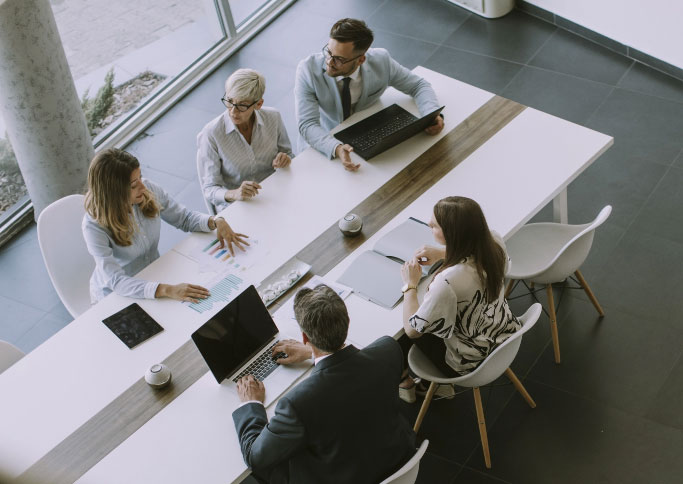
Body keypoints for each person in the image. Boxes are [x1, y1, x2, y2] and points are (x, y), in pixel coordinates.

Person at [232, 284, 416, 484]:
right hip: (398, 457)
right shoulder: (388, 350)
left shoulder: (297, 404)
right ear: (347, 322)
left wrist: (251, 404)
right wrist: (313, 354)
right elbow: (358, 370)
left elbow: (255, 457)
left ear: (304, 337)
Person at [82, 148, 248, 304]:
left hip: (155, 275)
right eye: (133, 185)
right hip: (118, 296)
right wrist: (167, 290)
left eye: (140, 177)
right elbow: (116, 281)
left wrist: (215, 221)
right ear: (114, 193)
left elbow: (184, 218)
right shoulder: (93, 226)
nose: (142, 186)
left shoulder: (147, 190)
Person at [399, 196, 521, 398]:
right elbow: (475, 251)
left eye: (434, 225)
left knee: (399, 335)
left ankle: (406, 382)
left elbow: (412, 331)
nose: (428, 223)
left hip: (467, 363)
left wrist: (410, 285)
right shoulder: (495, 242)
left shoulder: (447, 282)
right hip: (501, 334)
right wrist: (442, 253)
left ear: (451, 234)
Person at [295, 18, 444, 172]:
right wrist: (336, 148)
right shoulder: (307, 70)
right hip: (327, 138)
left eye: (339, 59)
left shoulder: (381, 61)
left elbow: (418, 85)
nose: (330, 62)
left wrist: (431, 115)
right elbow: (307, 124)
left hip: (369, 131)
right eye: (329, 52)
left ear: (361, 59)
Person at [197, 68, 294, 213]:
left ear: (258, 104)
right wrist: (234, 193)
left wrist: (285, 159)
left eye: (242, 105)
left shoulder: (274, 117)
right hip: (238, 207)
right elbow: (210, 189)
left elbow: (288, 153)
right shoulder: (212, 133)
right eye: (230, 101)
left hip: (276, 193)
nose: (233, 112)